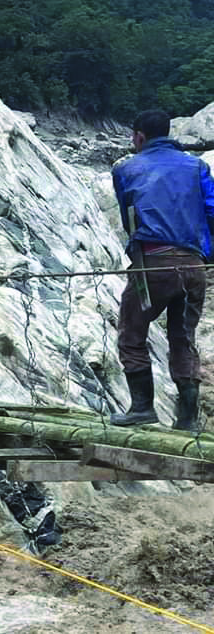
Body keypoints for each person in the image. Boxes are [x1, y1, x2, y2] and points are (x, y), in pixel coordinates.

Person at [109, 110, 214, 431]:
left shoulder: (127, 169)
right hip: (194, 265)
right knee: (183, 338)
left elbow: (130, 217)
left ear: (139, 136)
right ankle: (187, 420)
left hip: (152, 264)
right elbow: (211, 211)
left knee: (132, 332)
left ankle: (142, 407)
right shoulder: (198, 166)